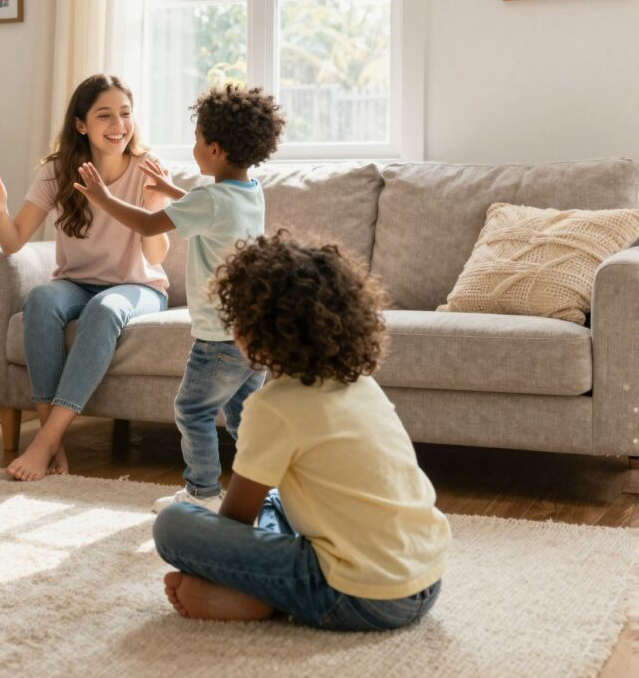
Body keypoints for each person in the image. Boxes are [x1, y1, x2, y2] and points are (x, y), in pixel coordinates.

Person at [153, 233, 450, 630]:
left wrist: (217, 562)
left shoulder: (274, 407)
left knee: (173, 524)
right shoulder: (360, 382)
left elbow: (236, 521)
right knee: (279, 499)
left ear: (255, 331)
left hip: (359, 597)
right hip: (425, 580)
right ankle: (266, 594)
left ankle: (262, 598)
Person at [74, 84, 284, 513]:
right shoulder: (250, 190)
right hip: (252, 336)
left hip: (218, 337)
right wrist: (172, 192)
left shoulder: (209, 198)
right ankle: (261, 491)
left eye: (196, 138)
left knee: (192, 410)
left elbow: (150, 225)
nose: (193, 146)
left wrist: (104, 198)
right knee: (245, 417)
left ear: (214, 148)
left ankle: (202, 492)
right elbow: (211, 211)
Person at [0, 75, 170, 481]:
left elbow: (156, 256)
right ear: (81, 124)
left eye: (125, 113)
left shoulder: (147, 169)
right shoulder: (57, 172)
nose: (118, 124)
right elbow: (13, 243)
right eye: (105, 115)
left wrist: (154, 207)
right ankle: (54, 439)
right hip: (76, 282)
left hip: (138, 287)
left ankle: (45, 442)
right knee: (42, 300)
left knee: (104, 308)